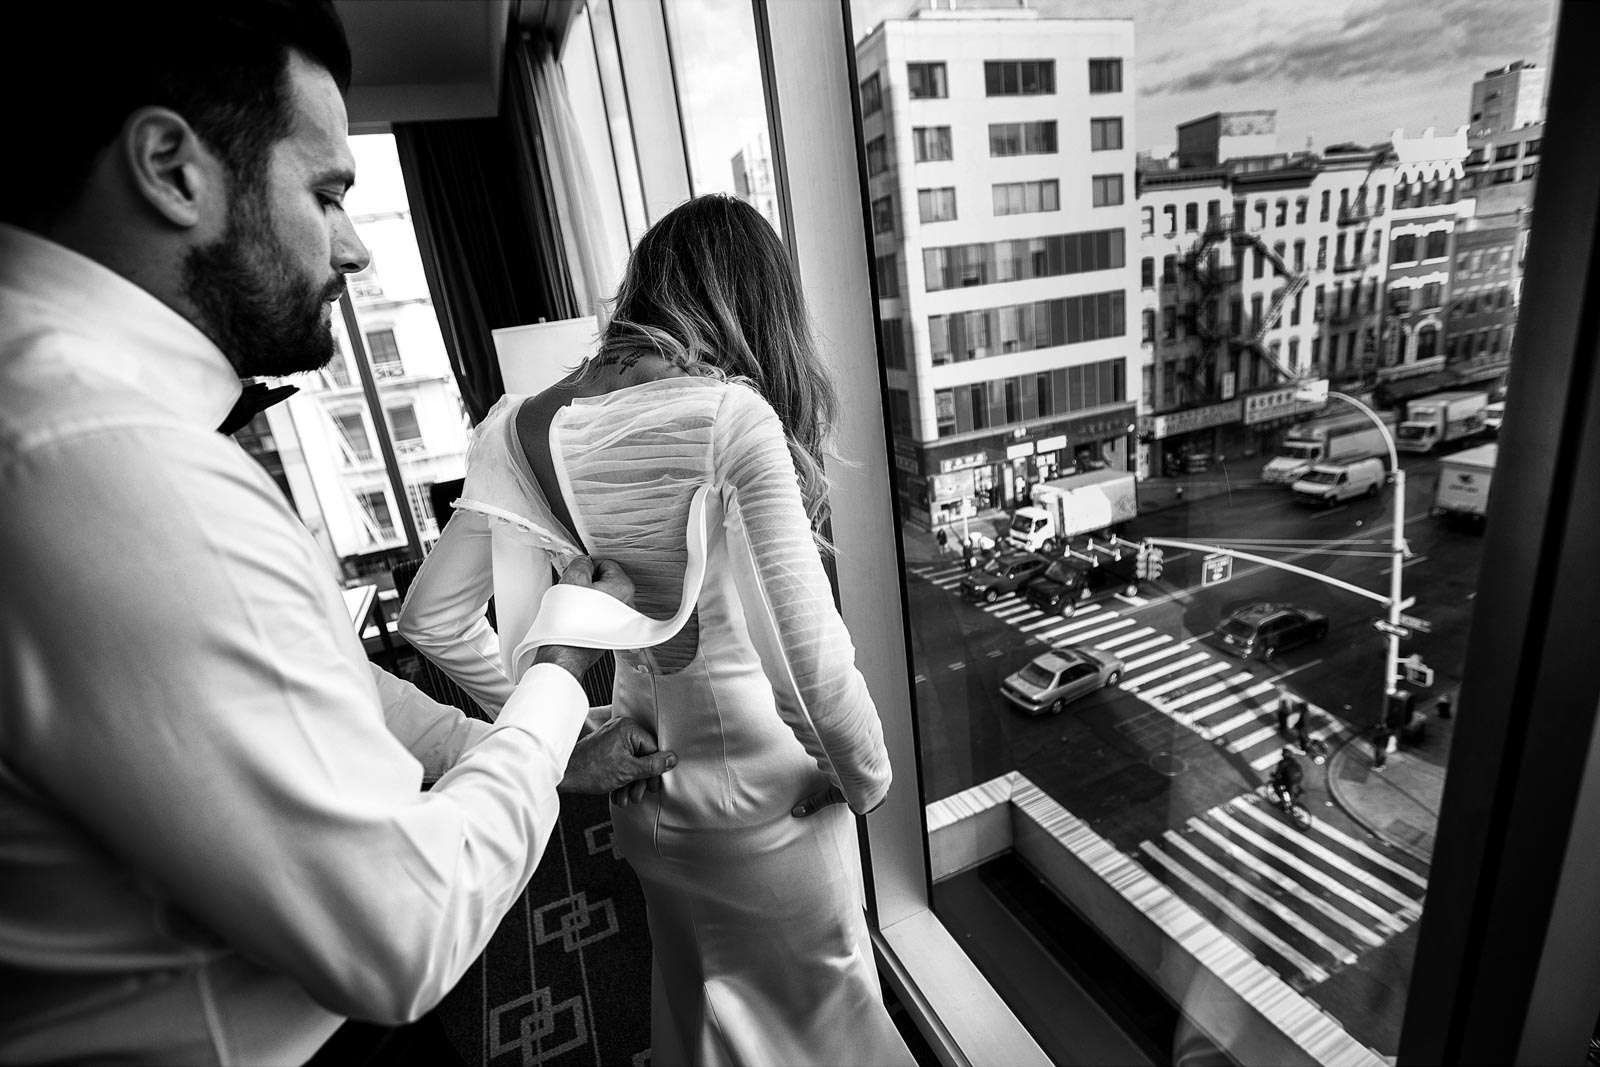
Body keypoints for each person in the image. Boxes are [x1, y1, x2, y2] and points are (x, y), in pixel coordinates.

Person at [0, 4, 673, 1063]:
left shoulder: (79, 421)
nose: (354, 248)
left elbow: (323, 678)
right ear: (171, 169)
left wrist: (502, 743)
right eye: (326, 194)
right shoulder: (108, 463)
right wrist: (555, 668)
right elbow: (406, 928)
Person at [400, 194, 914, 1066]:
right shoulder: (729, 417)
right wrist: (862, 776)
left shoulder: (516, 427)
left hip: (646, 799)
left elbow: (431, 619)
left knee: (703, 1013)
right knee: (830, 1031)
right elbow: (808, 668)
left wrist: (567, 730)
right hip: (769, 811)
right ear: (759, 307)